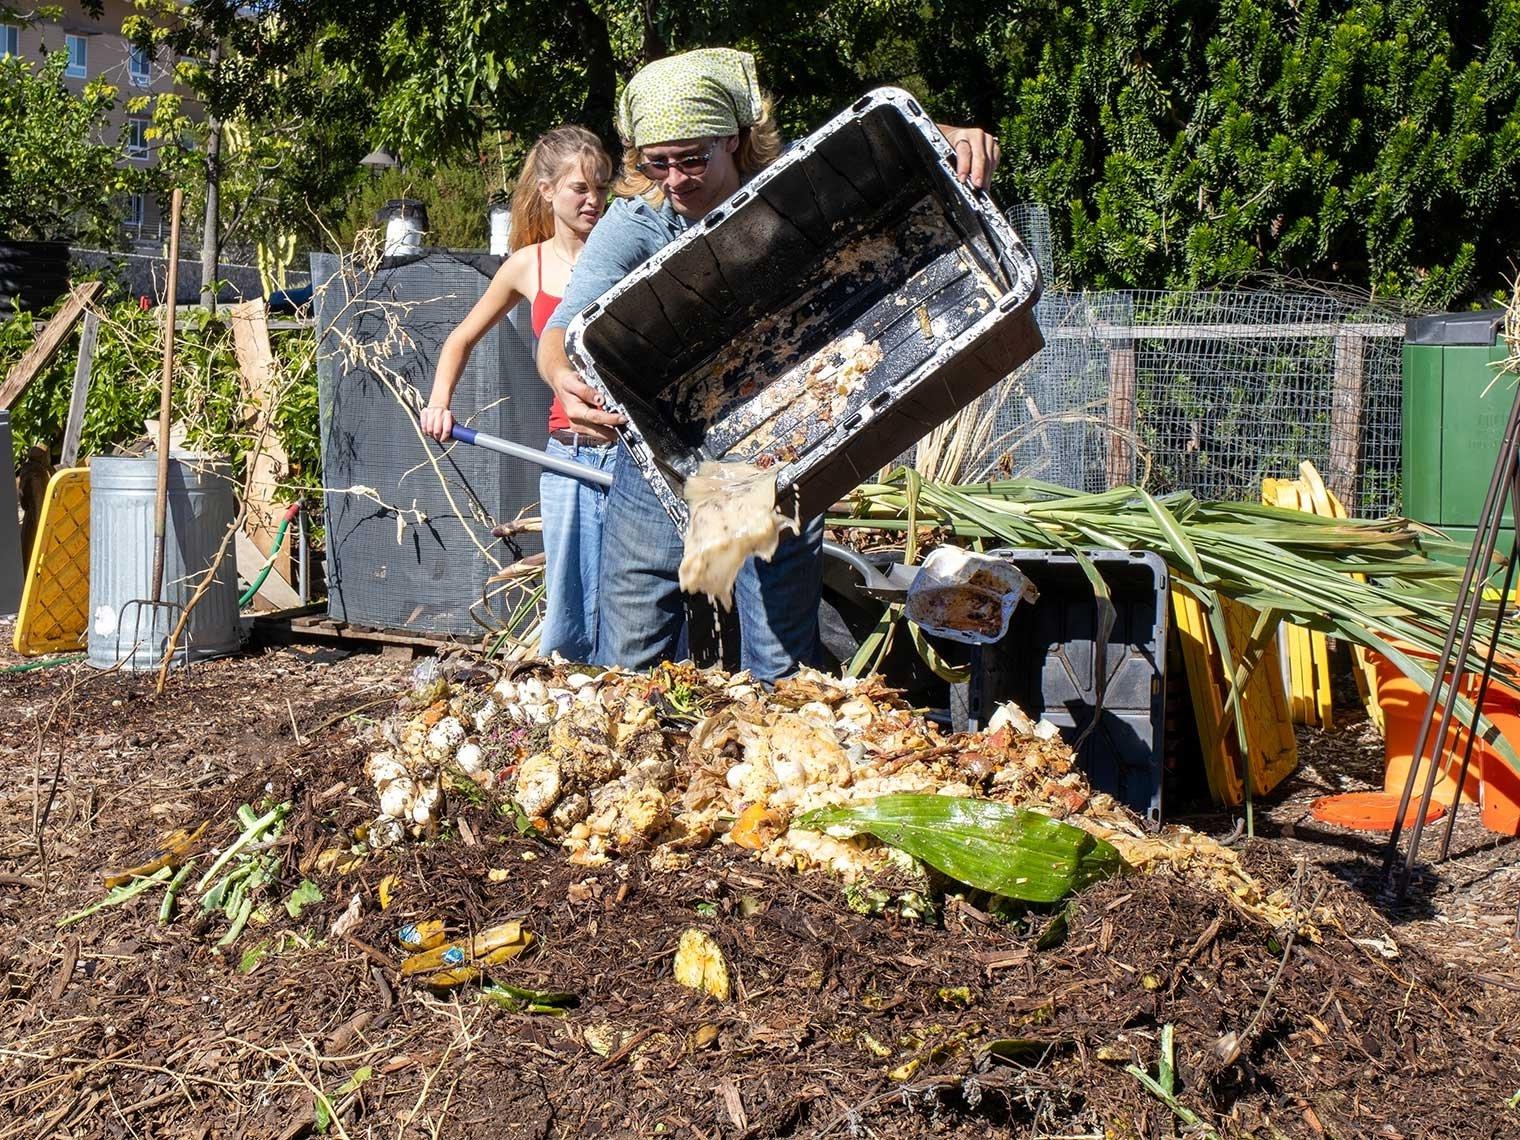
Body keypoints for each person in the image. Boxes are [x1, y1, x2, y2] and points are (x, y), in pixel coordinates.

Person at [537, 49, 1000, 681]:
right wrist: (560, 375)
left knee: (779, 666)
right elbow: (564, 326)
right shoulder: (639, 221)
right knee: (627, 660)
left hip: (772, 455)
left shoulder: (790, 185)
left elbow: (876, 146)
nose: (676, 179)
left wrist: (954, 136)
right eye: (657, 163)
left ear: (734, 138)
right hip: (662, 459)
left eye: (693, 158)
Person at [421, 126, 615, 661]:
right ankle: (573, 706)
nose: (594, 199)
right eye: (580, 188)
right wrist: (439, 403)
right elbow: (460, 338)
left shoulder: (627, 251)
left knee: (632, 594)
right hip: (569, 453)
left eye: (601, 186)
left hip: (631, 454)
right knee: (569, 601)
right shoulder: (527, 266)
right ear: (548, 190)